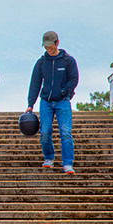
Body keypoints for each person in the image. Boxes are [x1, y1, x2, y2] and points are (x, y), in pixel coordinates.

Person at [26, 31, 79, 174]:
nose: (48, 49)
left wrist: (65, 91)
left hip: (63, 102)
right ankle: (48, 158)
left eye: (50, 46)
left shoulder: (68, 60)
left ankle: (67, 163)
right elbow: (35, 84)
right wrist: (30, 104)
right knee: (45, 131)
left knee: (65, 132)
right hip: (46, 103)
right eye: (45, 46)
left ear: (57, 43)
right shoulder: (41, 62)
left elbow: (74, 79)